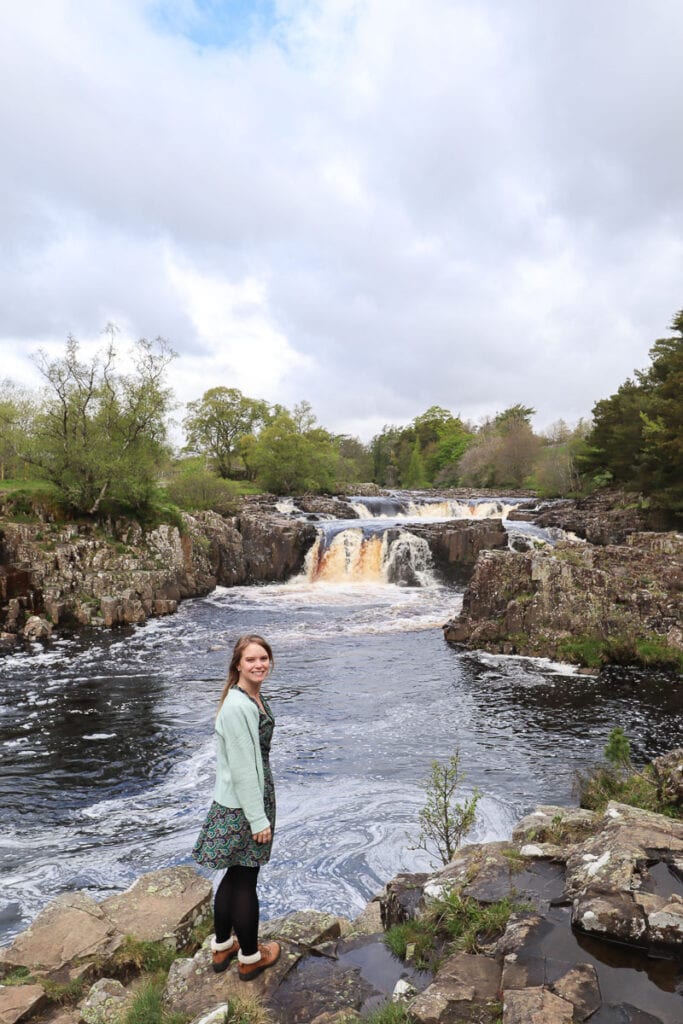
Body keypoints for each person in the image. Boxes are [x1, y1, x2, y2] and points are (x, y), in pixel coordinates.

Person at [192, 634, 280, 981]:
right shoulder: (238, 706)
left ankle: (222, 947)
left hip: (243, 800)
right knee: (245, 879)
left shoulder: (248, 697)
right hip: (245, 805)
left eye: (264, 658)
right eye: (251, 660)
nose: (259, 665)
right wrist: (258, 818)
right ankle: (249, 958)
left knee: (233, 874)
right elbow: (244, 768)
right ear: (237, 665)